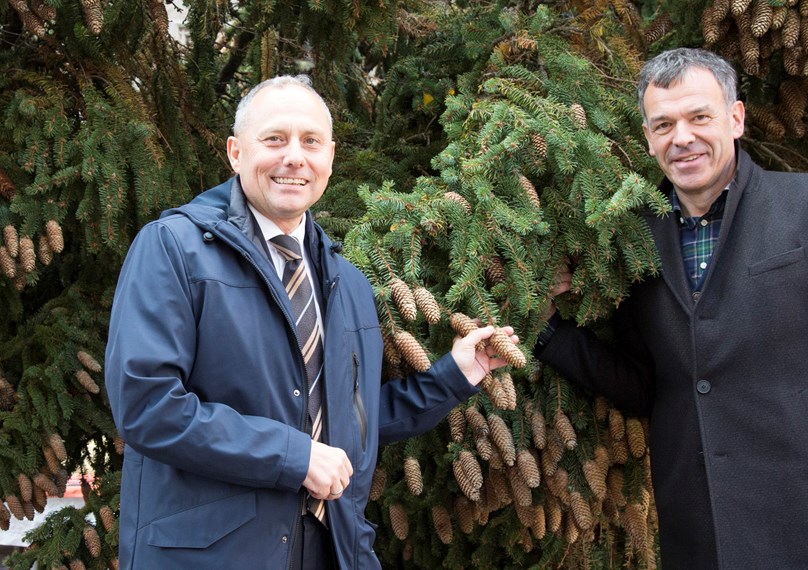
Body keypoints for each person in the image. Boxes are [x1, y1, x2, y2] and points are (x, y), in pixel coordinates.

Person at [105, 75, 517, 569]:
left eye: (311, 142)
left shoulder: (348, 283)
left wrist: (456, 375)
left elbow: (346, 424)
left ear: (330, 158)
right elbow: (148, 406)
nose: (294, 157)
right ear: (236, 153)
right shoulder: (173, 248)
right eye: (274, 139)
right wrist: (293, 456)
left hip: (330, 551)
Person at [536, 48, 808, 569]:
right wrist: (548, 331)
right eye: (663, 124)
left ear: (735, 119)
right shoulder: (632, 239)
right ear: (648, 139)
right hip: (699, 529)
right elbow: (646, 384)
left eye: (699, 117)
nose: (682, 138)